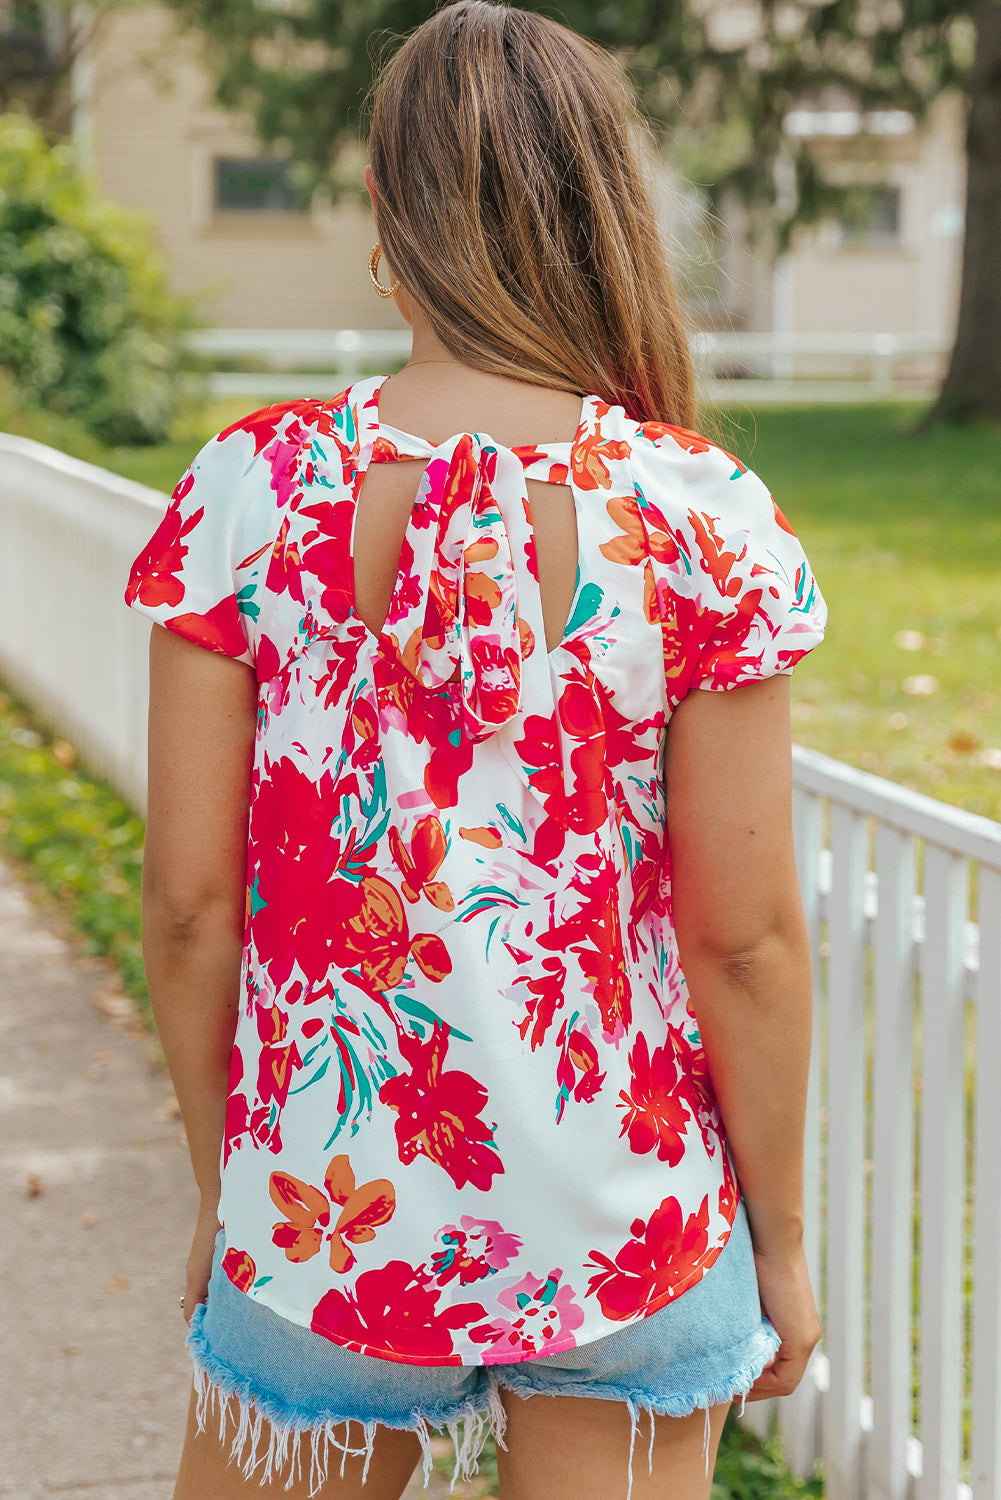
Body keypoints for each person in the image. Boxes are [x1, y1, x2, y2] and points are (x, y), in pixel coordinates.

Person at [124, 3, 826, 1496]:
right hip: (628, 1222)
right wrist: (783, 1239)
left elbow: (190, 904)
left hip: (328, 1208)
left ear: (387, 214)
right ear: (603, 211)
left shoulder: (248, 491)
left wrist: (222, 1190)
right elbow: (745, 938)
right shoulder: (702, 517)